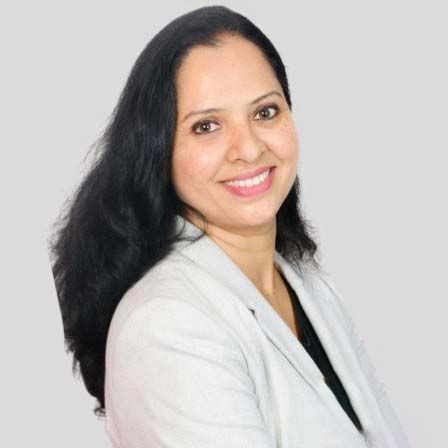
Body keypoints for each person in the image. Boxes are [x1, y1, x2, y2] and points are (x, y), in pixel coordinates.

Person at [49, 5, 411, 448]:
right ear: (158, 150)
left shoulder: (306, 282)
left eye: (265, 112)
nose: (249, 148)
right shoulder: (166, 326)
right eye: (206, 126)